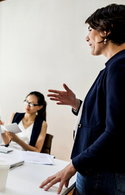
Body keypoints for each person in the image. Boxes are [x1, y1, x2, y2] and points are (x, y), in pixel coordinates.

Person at [40, 4, 125, 194]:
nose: (87, 37)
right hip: (98, 171)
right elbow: (107, 117)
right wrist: (77, 104)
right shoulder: (114, 67)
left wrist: (71, 167)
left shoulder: (119, 67)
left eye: (90, 30)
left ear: (106, 30)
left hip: (103, 174)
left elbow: (117, 132)